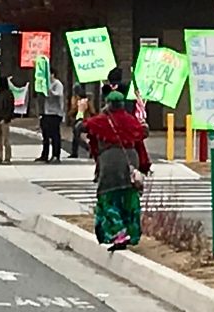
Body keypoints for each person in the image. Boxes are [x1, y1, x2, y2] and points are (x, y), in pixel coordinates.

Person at [74, 91, 151, 252]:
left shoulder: (101, 121)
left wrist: (81, 111)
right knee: (129, 197)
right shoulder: (130, 120)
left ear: (107, 104)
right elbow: (143, 131)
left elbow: (80, 127)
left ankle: (118, 232)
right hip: (131, 161)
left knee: (107, 198)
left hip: (110, 163)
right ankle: (132, 232)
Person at [35, 67, 64, 164]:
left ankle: (56, 155)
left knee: (55, 135)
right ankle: (45, 155)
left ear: (53, 74)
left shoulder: (57, 84)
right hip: (46, 112)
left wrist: (48, 90)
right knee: (45, 135)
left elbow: (57, 95)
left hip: (55, 113)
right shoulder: (46, 84)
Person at [68, 83, 95, 158]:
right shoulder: (75, 99)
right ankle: (75, 152)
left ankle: (88, 148)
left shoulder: (85, 100)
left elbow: (92, 111)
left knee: (78, 136)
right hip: (77, 119)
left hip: (84, 119)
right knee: (76, 136)